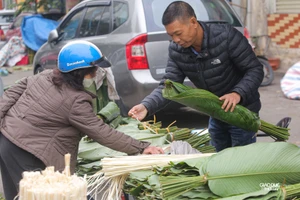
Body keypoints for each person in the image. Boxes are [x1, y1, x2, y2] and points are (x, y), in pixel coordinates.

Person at [0, 40, 164, 200]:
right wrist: (141, 147)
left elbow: (8, 96)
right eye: (93, 70)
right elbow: (102, 132)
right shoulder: (76, 101)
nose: (96, 74)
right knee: (42, 194)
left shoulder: (44, 76)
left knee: (18, 194)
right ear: (80, 72)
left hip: (6, 140)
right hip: (28, 152)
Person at [129, 1, 263, 152]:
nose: (176, 40)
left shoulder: (226, 36)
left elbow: (255, 69)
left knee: (241, 162)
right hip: (217, 113)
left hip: (243, 114)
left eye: (178, 33)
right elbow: (168, 86)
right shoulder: (177, 50)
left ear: (193, 22)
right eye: (171, 35)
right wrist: (146, 106)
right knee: (217, 158)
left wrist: (237, 93)